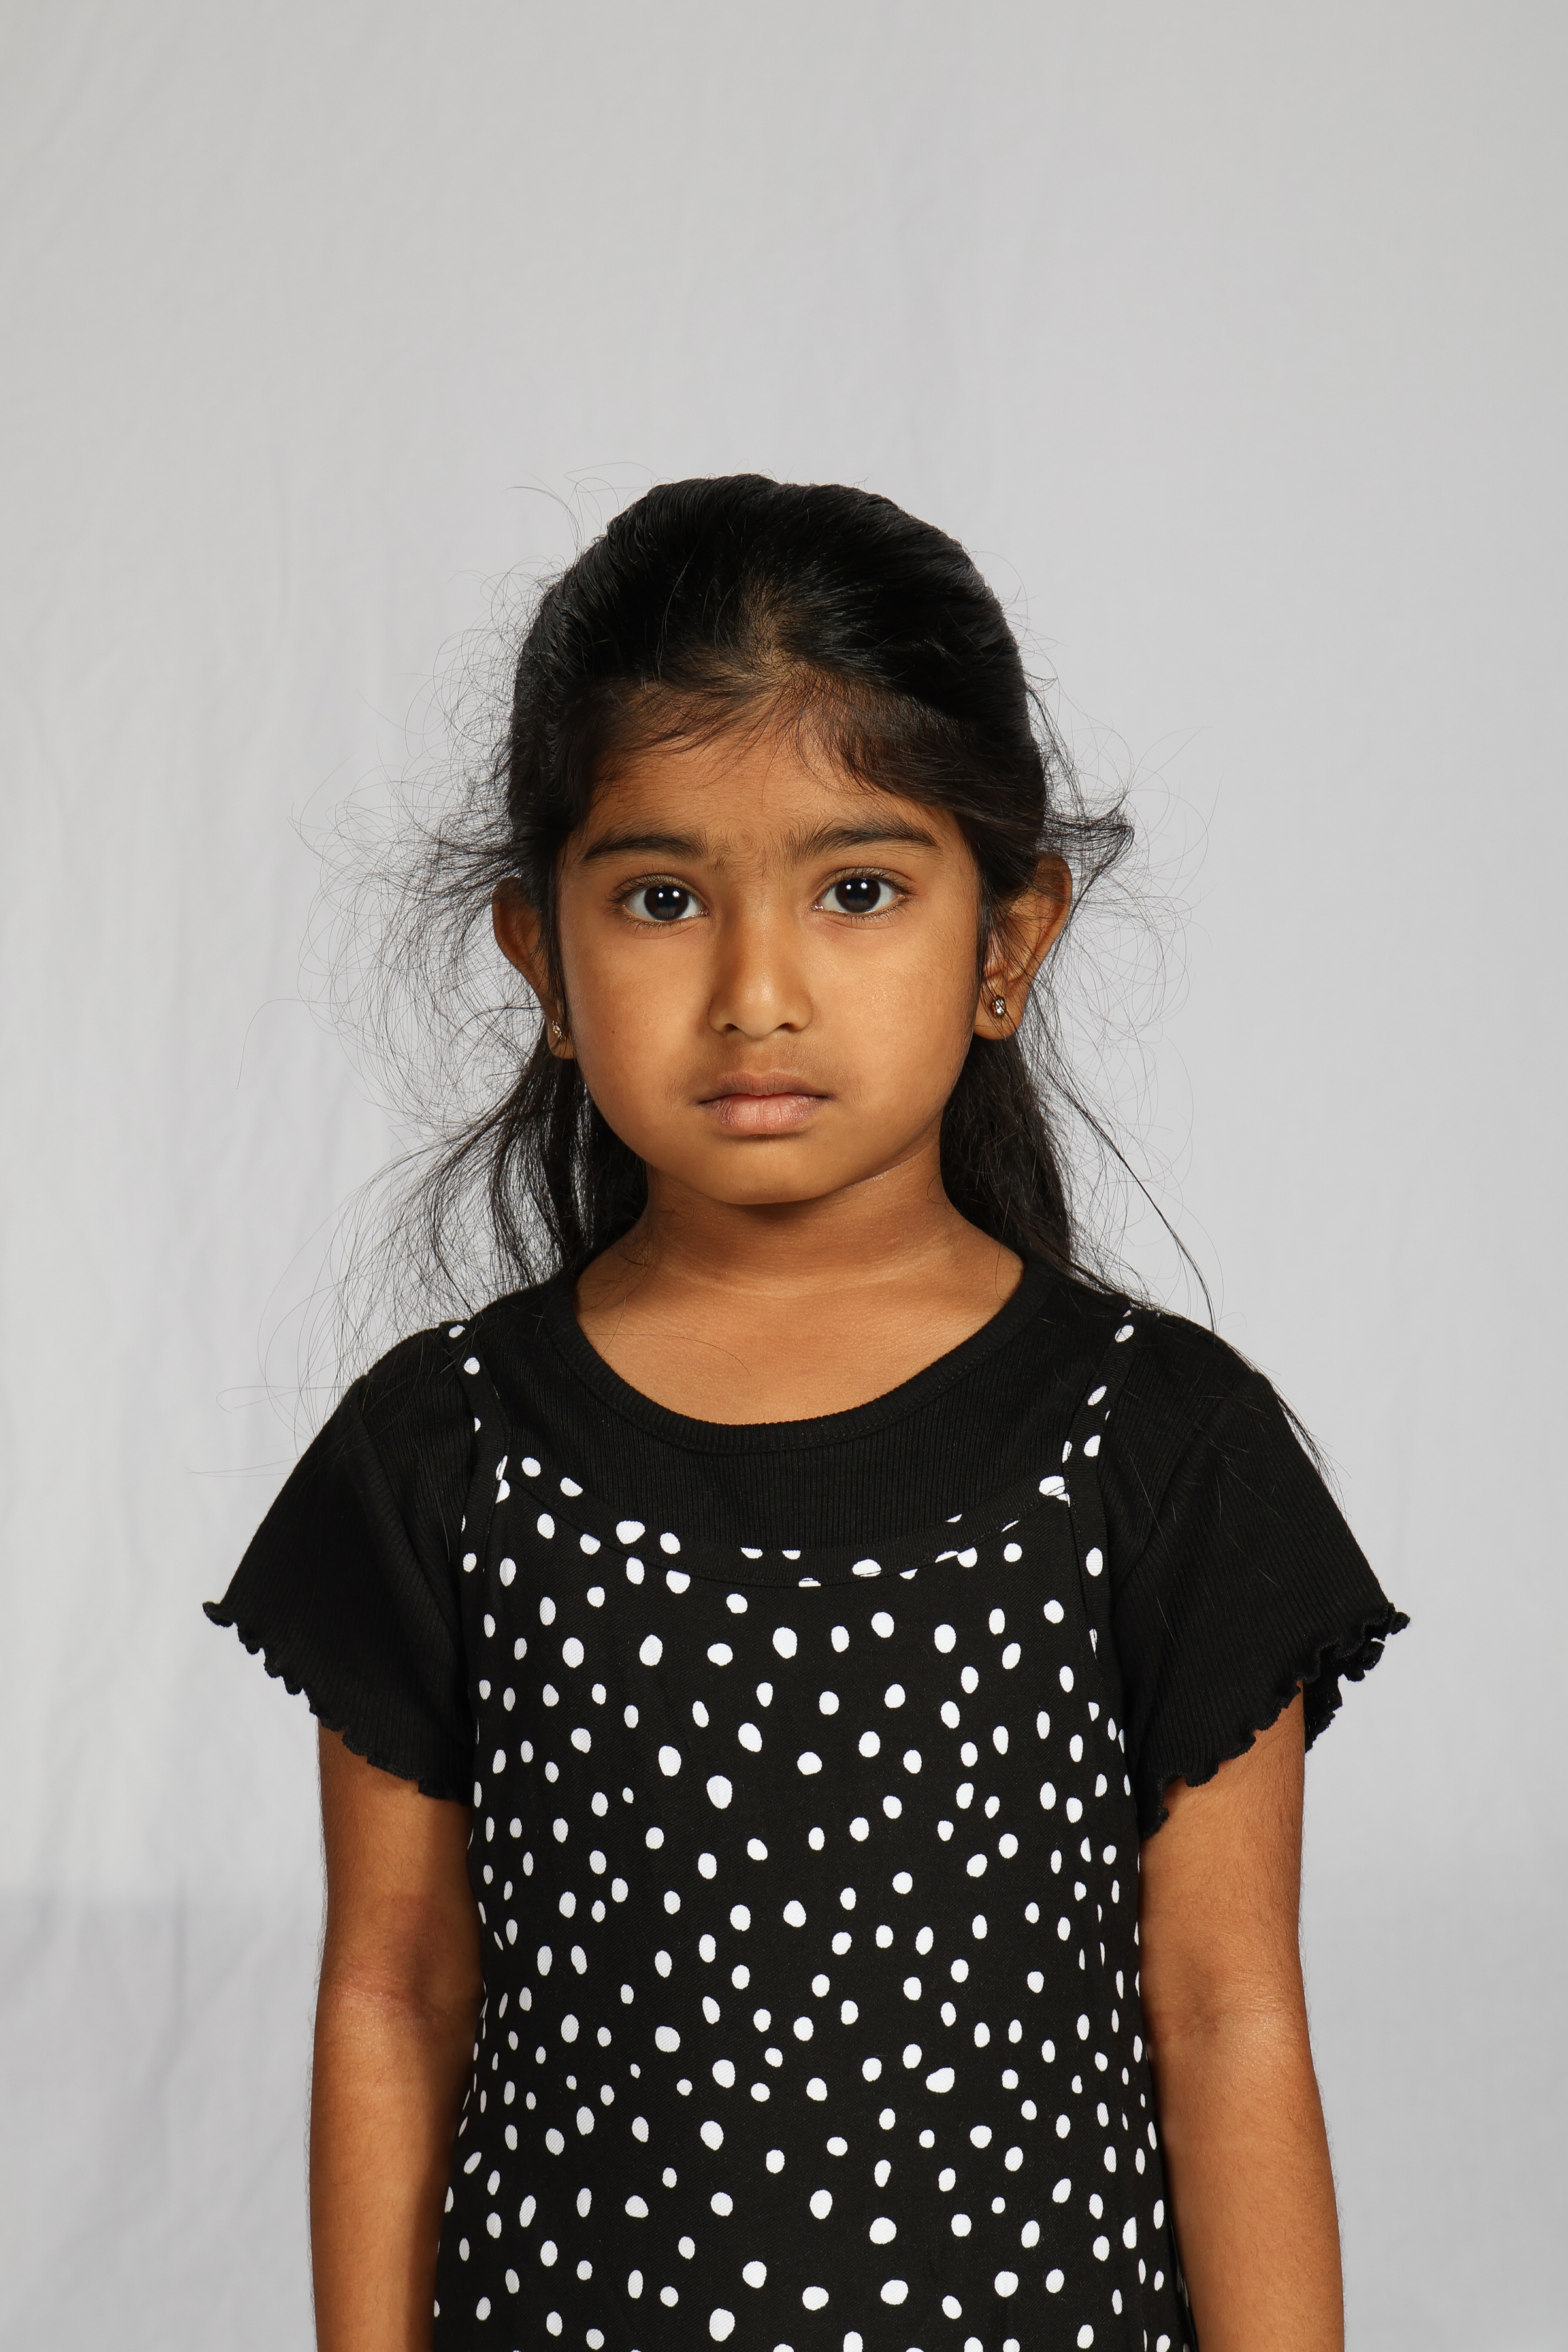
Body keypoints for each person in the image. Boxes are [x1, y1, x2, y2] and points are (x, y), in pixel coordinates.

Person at [208, 476, 1405, 2352]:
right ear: (542, 961)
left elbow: (1227, 2010)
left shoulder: (1160, 1445)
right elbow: (398, 1991)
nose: (756, 994)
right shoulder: (444, 1454)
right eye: (662, 899)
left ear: (1009, 939)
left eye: (858, 890)